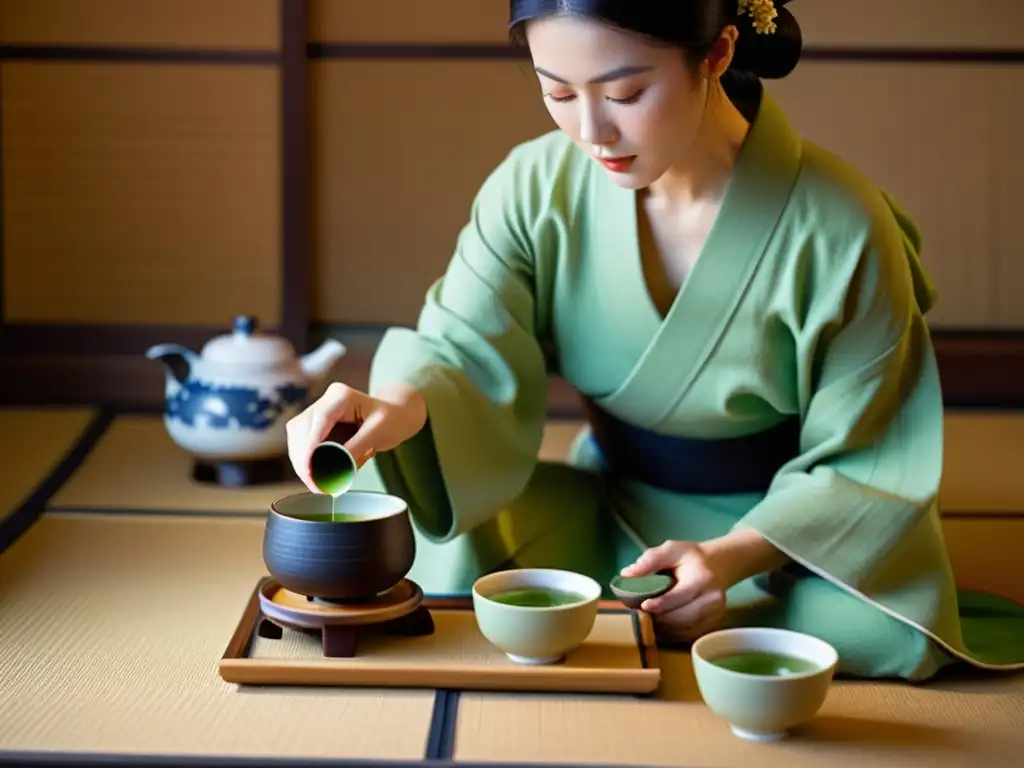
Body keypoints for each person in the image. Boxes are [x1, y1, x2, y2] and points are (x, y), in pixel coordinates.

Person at [286, 0, 1024, 681]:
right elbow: (459, 345)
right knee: (450, 562)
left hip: (784, 532)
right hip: (612, 502)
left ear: (716, 53)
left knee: (878, 633)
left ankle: (700, 596)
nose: (590, 132)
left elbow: (869, 456)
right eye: (559, 92)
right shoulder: (532, 187)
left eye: (625, 93)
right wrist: (397, 408)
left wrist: (730, 561)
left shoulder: (841, 224)